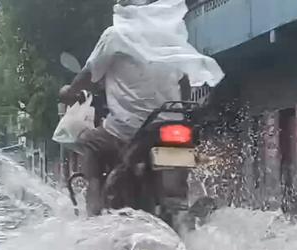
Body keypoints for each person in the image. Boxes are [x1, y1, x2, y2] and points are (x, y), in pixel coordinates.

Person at [59, 0, 223, 216]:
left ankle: (94, 213)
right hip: (172, 125)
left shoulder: (115, 35)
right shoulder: (168, 38)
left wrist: (69, 92)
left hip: (128, 129)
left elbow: (89, 74)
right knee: (179, 185)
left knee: (89, 142)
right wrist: (177, 114)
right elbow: (184, 82)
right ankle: (182, 212)